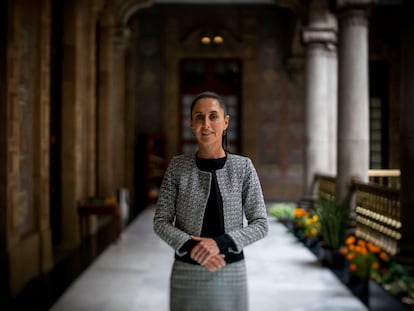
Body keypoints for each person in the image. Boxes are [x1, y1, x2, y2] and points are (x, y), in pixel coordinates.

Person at [153, 91, 268, 311]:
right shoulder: (177, 167)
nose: (206, 124)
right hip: (187, 271)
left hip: (230, 270)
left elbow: (261, 224)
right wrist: (190, 245)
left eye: (213, 116)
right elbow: (161, 221)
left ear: (225, 122)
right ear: (191, 123)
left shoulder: (243, 168)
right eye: (199, 117)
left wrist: (218, 244)